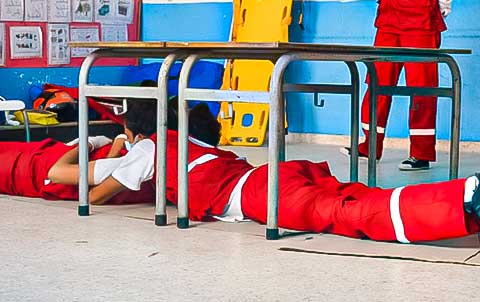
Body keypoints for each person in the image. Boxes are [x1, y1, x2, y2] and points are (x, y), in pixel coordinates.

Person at [155, 98, 480, 243]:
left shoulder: (148, 147)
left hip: (262, 193)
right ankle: (465, 207)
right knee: (360, 195)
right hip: (274, 175)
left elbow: (103, 188)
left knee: (347, 214)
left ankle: (461, 200)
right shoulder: (181, 140)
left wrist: (114, 148)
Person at [342, 0, 453, 170]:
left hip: (419, 23)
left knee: (422, 89)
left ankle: (421, 154)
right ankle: (370, 146)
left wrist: (440, 7)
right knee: (376, 82)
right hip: (389, 21)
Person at [0, 99, 158, 205]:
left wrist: (89, 144)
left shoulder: (138, 158)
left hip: (36, 168)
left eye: (128, 136)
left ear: (140, 137)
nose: (126, 140)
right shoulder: (155, 152)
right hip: (46, 155)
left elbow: (57, 173)